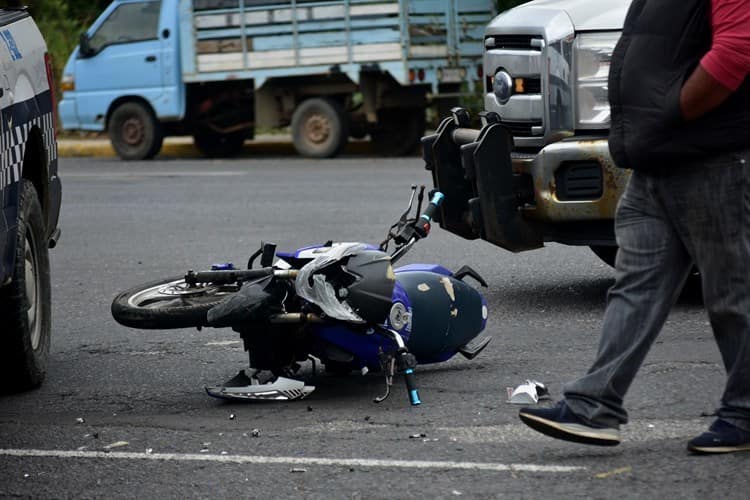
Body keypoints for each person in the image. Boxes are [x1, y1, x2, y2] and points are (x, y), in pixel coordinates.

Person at [518, 0, 750, 454]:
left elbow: (738, 51)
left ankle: (744, 413)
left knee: (733, 295)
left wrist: (673, 111)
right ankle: (594, 406)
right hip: (654, 162)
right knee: (635, 289)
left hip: (712, 160)